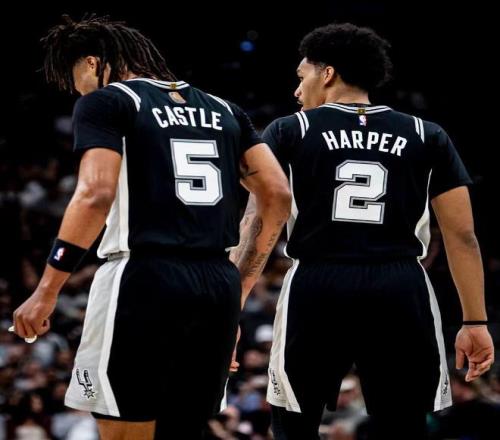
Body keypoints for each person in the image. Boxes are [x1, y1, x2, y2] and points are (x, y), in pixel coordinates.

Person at [12, 15, 290, 440]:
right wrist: (238, 288)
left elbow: (95, 194)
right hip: (217, 284)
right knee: (186, 428)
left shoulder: (108, 101)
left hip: (142, 278)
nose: (78, 91)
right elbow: (278, 195)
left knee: (125, 430)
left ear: (92, 63)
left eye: (74, 79)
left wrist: (46, 290)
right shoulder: (226, 110)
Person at [242, 23, 494, 439]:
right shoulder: (426, 134)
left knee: (293, 424)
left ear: (327, 73)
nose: (297, 90)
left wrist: (234, 302)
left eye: (302, 76)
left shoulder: (291, 130)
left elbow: (257, 224)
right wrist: (475, 321)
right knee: (403, 425)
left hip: (317, 283)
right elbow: (463, 236)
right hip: (400, 285)